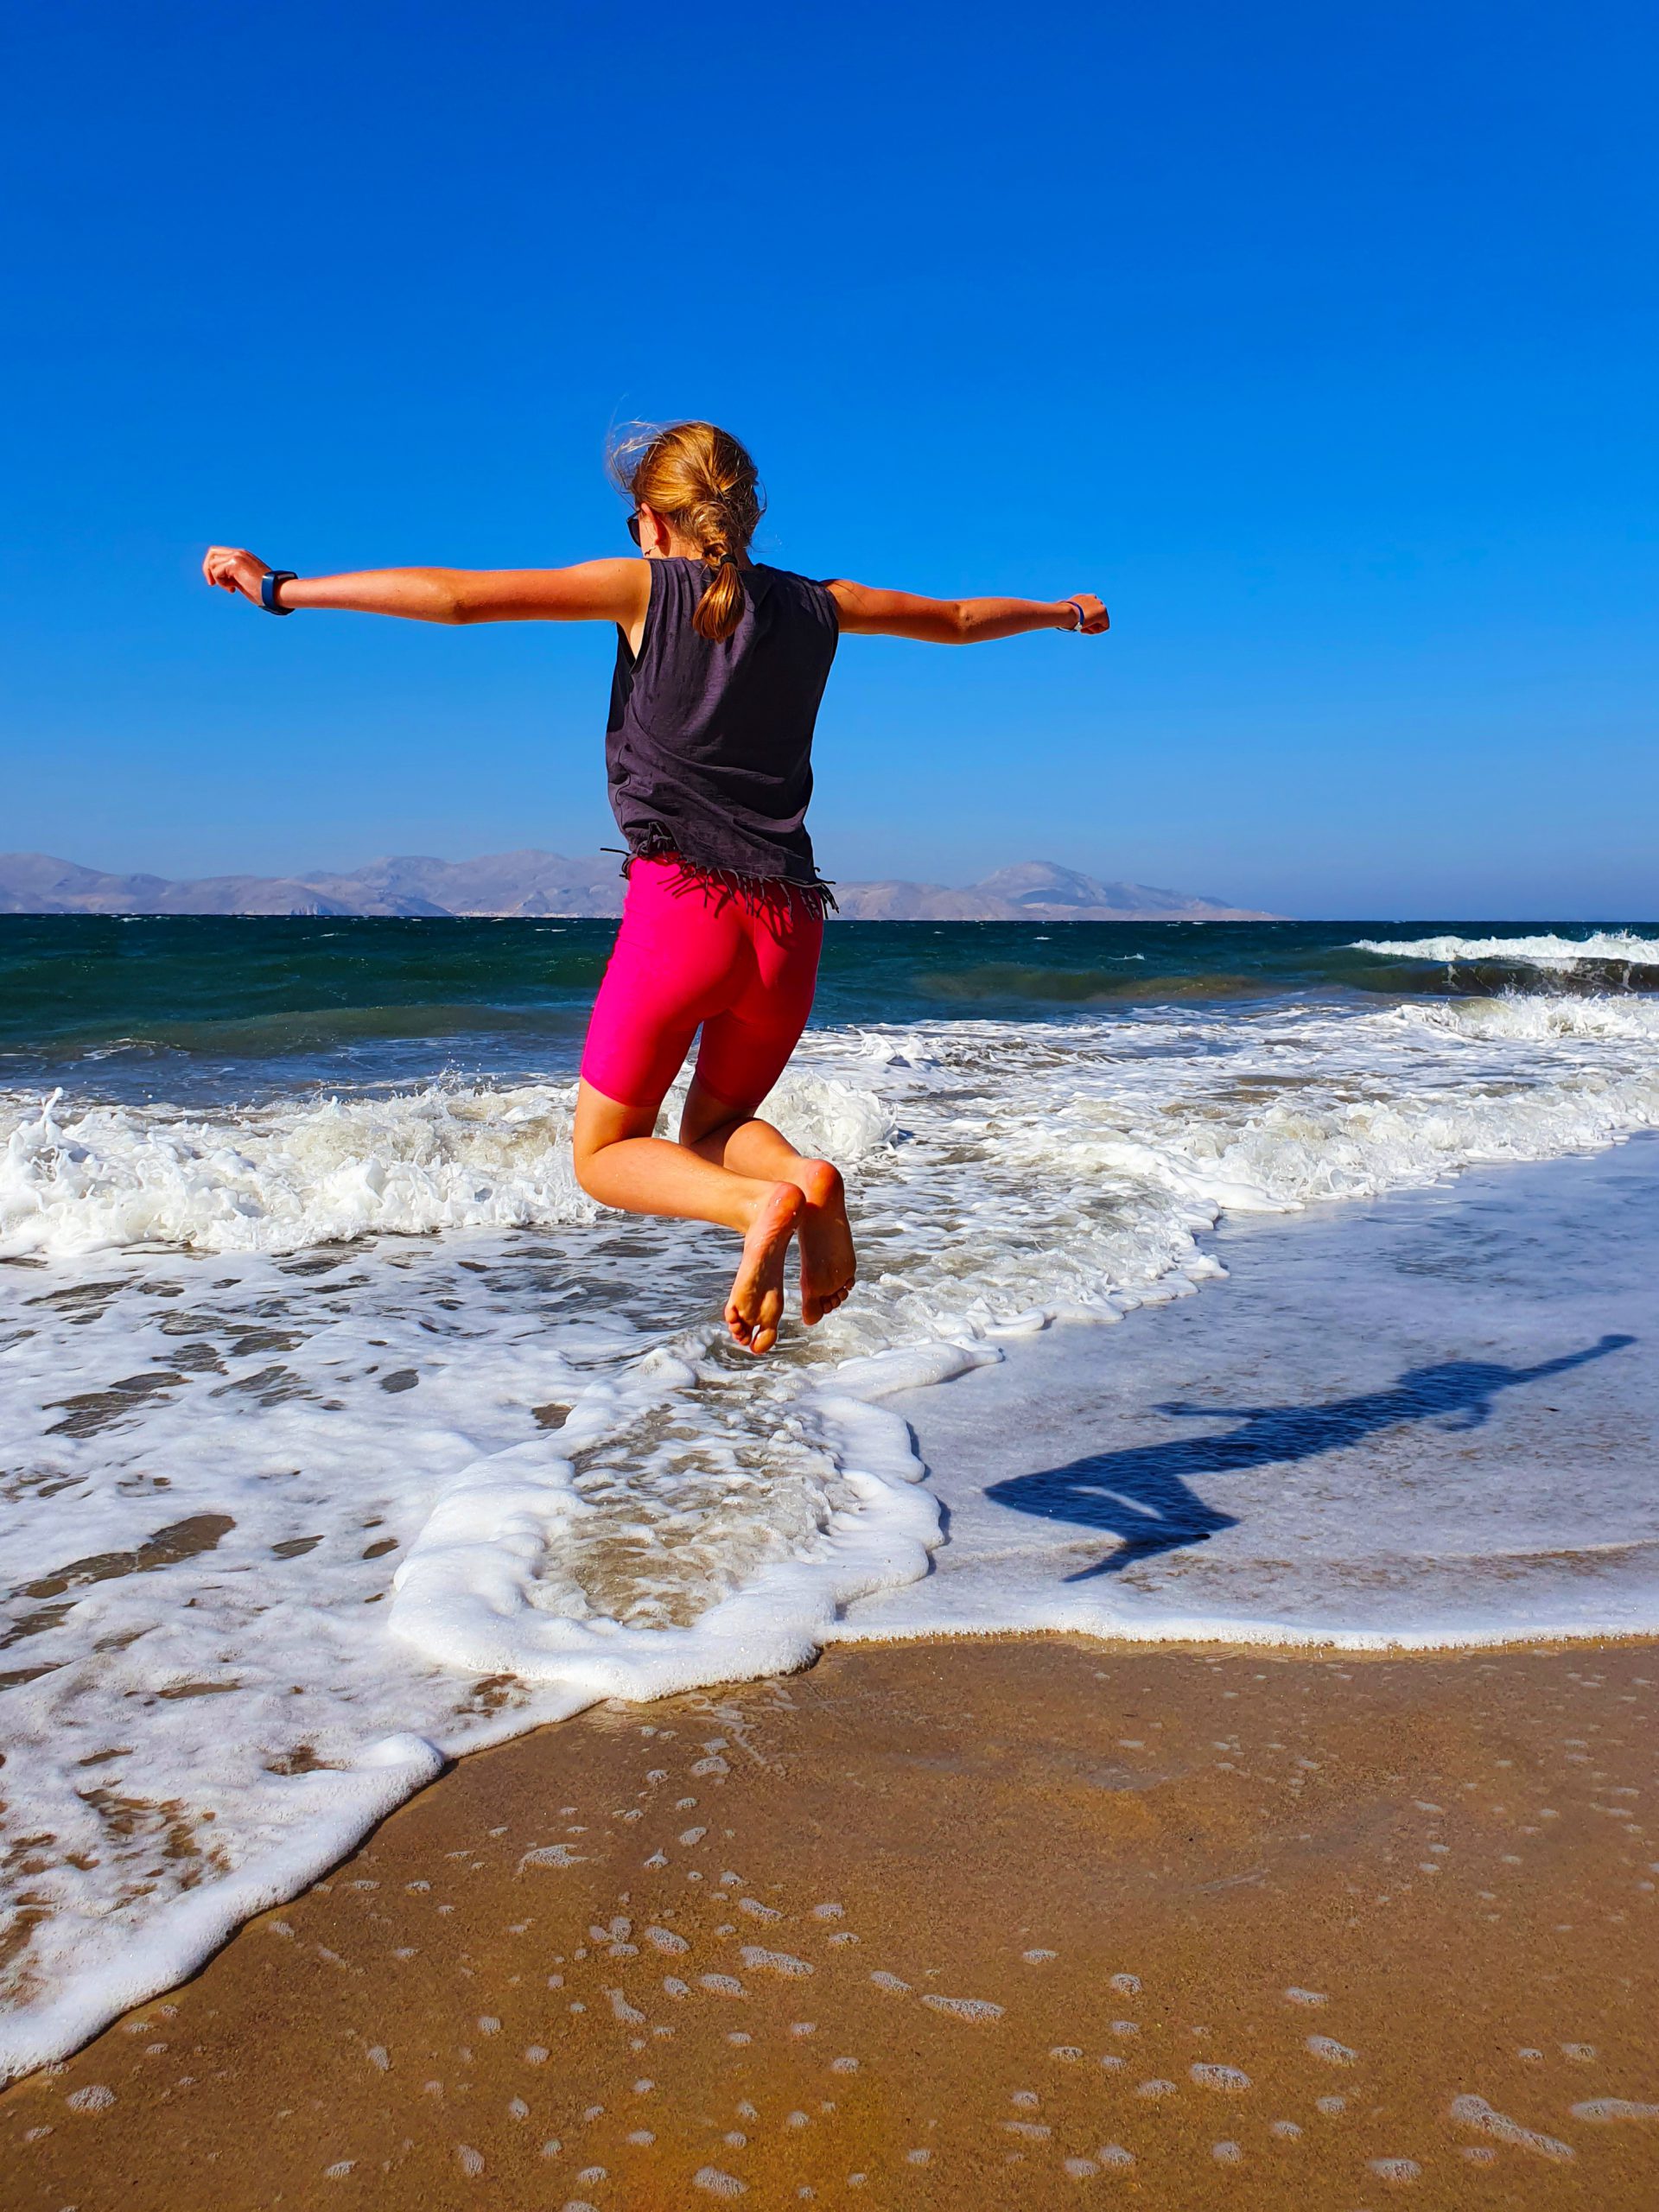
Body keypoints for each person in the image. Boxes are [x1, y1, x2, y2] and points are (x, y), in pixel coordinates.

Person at [204, 420, 1108, 1356]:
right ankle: (803, 1179)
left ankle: (760, 1205)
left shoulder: (645, 587)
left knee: (603, 1156)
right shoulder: (822, 605)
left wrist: (279, 589)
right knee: (719, 1126)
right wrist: (1062, 612)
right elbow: (956, 620)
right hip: (791, 925)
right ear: (744, 511)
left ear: (655, 519)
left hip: (683, 913)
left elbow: (459, 599)